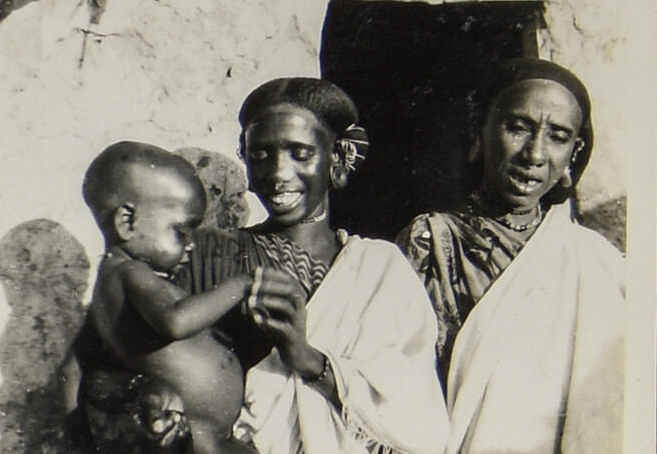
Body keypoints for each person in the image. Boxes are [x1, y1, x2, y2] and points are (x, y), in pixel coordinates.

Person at [182, 78, 448, 454]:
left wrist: (307, 359)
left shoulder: (381, 269)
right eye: (260, 155)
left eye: (300, 154)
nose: (278, 173)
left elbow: (419, 420)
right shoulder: (213, 256)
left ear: (337, 158)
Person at [396, 58, 625, 454]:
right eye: (518, 127)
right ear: (480, 131)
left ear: (575, 152)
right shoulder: (431, 242)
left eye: (558, 135)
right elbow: (400, 385)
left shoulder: (596, 262)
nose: (534, 154)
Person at [77, 140, 257, 454]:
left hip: (205, 430)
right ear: (127, 222)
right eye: (181, 232)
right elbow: (175, 321)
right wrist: (239, 286)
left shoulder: (114, 283)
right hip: (187, 427)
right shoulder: (130, 273)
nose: (191, 245)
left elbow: (74, 364)